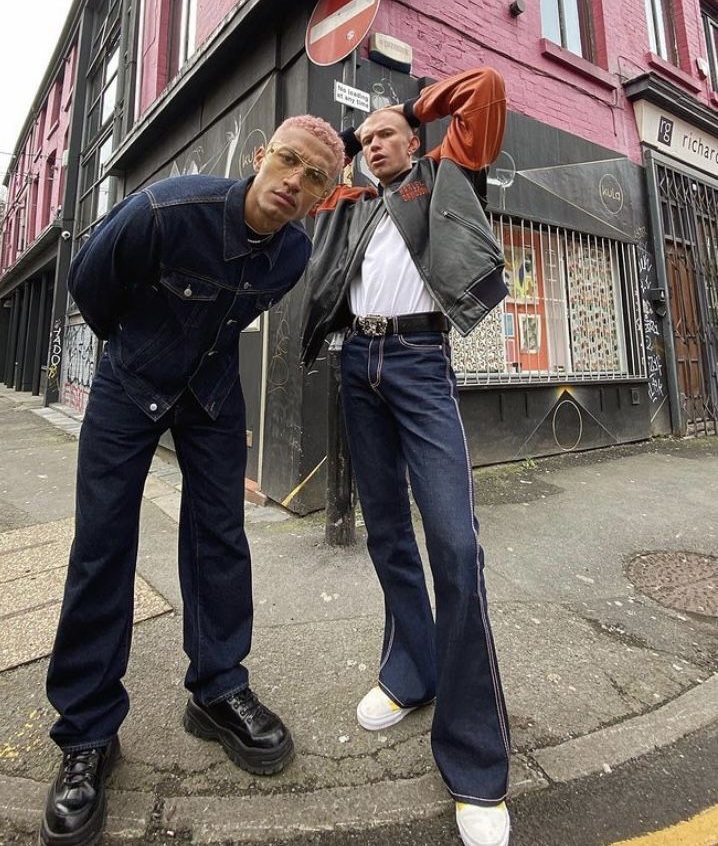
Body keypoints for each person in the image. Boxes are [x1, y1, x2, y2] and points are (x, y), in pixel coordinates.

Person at [40, 116, 345, 846]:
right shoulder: (168, 209)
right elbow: (90, 283)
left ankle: (216, 690)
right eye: (288, 162)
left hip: (209, 392)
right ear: (260, 155)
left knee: (220, 537)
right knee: (103, 545)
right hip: (129, 380)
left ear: (322, 199)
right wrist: (140, 347)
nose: (293, 184)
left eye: (314, 180)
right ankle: (87, 733)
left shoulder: (293, 252)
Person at [301, 67, 512, 846]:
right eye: (365, 141)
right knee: (387, 534)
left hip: (422, 366)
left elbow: (485, 86)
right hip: (357, 366)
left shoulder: (447, 171)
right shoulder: (351, 202)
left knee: (455, 547)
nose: (372, 147)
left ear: (414, 139)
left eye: (384, 136)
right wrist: (326, 143)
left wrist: (405, 105)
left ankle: (475, 763)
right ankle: (409, 670)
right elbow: (296, 180)